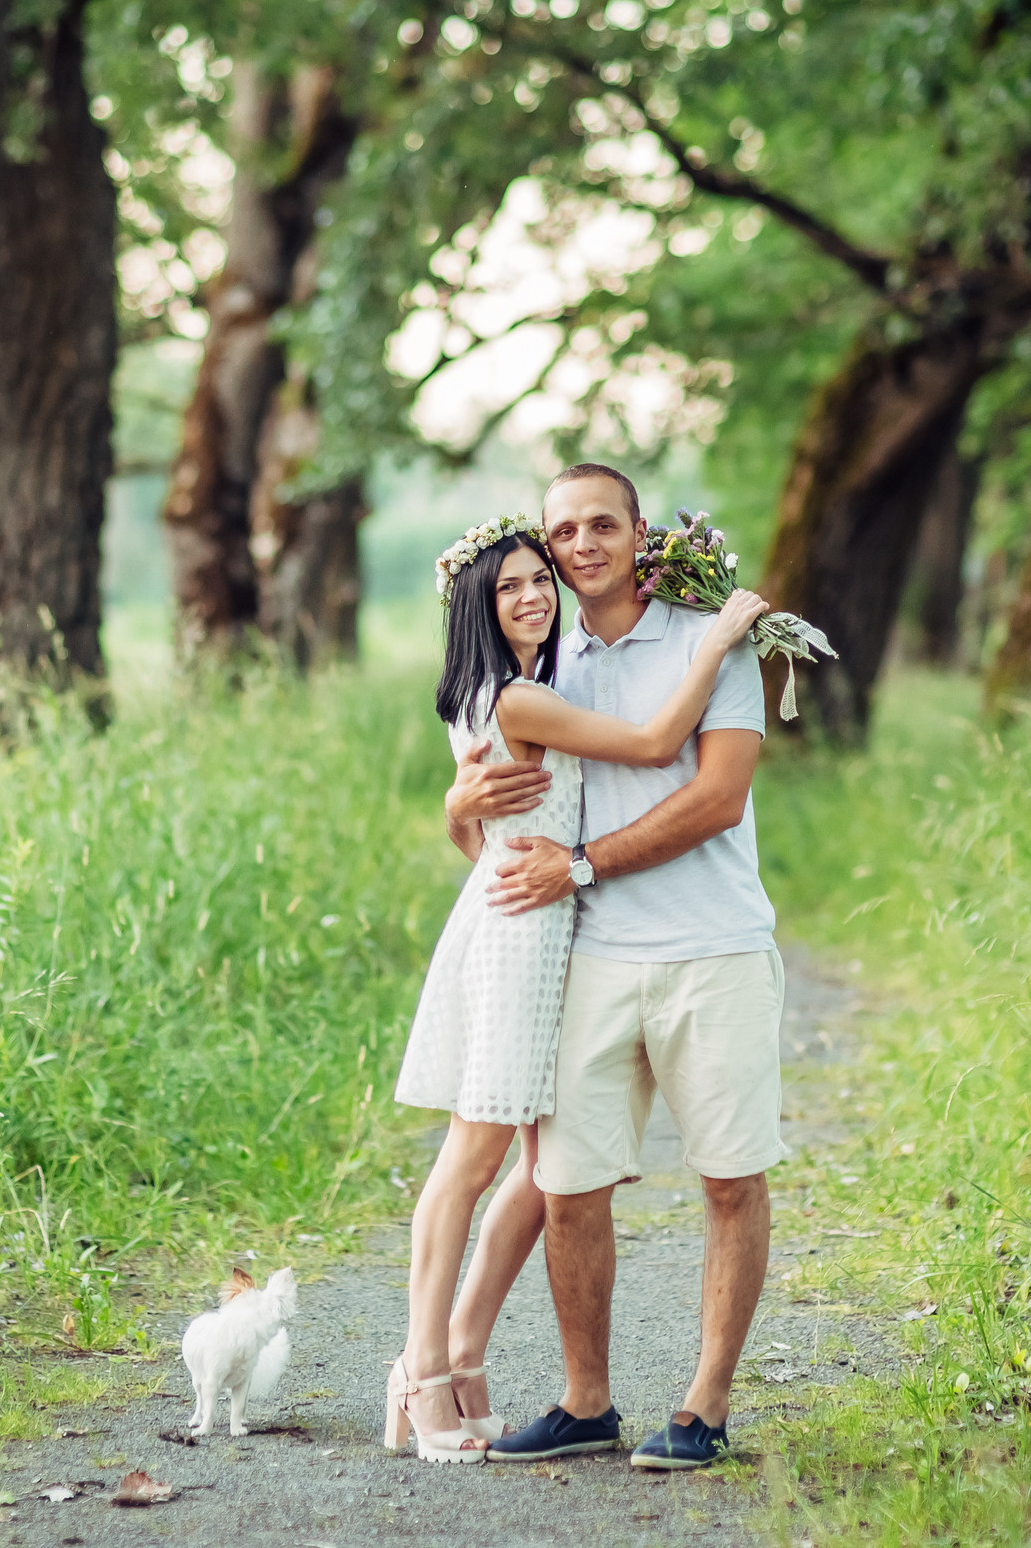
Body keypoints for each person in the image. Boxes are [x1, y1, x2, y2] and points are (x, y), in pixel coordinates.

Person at [385, 510, 767, 1463]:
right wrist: (718, 641)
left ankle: (463, 1356)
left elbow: (490, 840)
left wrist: (459, 813)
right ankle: (422, 1373)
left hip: (558, 930)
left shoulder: (530, 685)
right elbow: (645, 745)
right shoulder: (516, 694)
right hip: (524, 937)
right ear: (475, 605)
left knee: (536, 1165)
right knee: (477, 1162)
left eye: (535, 580)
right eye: (509, 584)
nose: (531, 594)